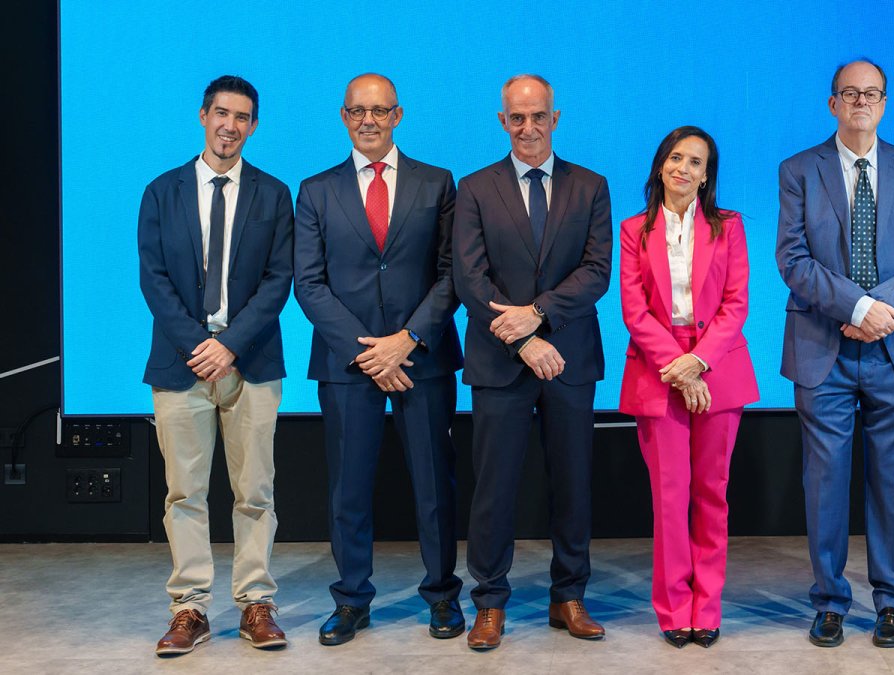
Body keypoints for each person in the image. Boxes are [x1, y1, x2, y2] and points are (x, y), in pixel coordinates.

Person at [775, 59, 894, 649]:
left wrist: (880, 312)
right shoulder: (799, 169)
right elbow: (793, 260)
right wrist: (855, 309)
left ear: (885, 102)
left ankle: (891, 603)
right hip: (823, 345)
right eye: (849, 94)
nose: (860, 103)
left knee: (893, 482)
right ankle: (828, 602)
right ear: (832, 104)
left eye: (871, 94)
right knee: (824, 482)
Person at [293, 73, 464, 646]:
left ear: (398, 116)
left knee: (435, 487)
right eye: (357, 111)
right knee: (348, 488)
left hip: (423, 359)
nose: (368, 120)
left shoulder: (437, 182)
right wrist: (370, 352)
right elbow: (310, 285)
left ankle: (442, 596)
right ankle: (351, 601)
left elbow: (451, 274)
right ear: (344, 116)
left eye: (380, 111)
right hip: (348, 365)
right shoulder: (316, 190)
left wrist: (407, 340)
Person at [452, 74, 612, 650]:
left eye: (537, 116)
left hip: (570, 356)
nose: (528, 127)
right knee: (493, 487)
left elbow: (597, 272)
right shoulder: (473, 188)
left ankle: (568, 596)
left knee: (572, 483)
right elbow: (469, 278)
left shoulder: (590, 186)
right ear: (502, 122)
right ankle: (490, 602)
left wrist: (538, 315)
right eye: (516, 118)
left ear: (555, 117)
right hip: (499, 360)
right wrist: (521, 339)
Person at [138, 75, 293, 655]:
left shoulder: (274, 195)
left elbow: (280, 279)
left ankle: (256, 602)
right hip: (180, 365)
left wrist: (230, 345)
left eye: (243, 117)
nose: (230, 125)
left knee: (255, 490)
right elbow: (153, 279)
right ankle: (191, 609)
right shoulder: (161, 191)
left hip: (251, 362)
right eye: (221, 113)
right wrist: (197, 346)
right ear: (203, 116)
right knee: (185, 493)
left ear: (253, 126)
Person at [618, 126, 758, 649]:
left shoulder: (730, 226)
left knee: (711, 494)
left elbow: (736, 304)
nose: (684, 168)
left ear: (706, 176)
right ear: (660, 166)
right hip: (658, 370)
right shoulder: (634, 230)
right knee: (670, 497)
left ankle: (708, 605)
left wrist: (698, 362)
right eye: (676, 157)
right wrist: (677, 365)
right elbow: (634, 309)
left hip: (716, 365)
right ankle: (675, 607)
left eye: (696, 162)